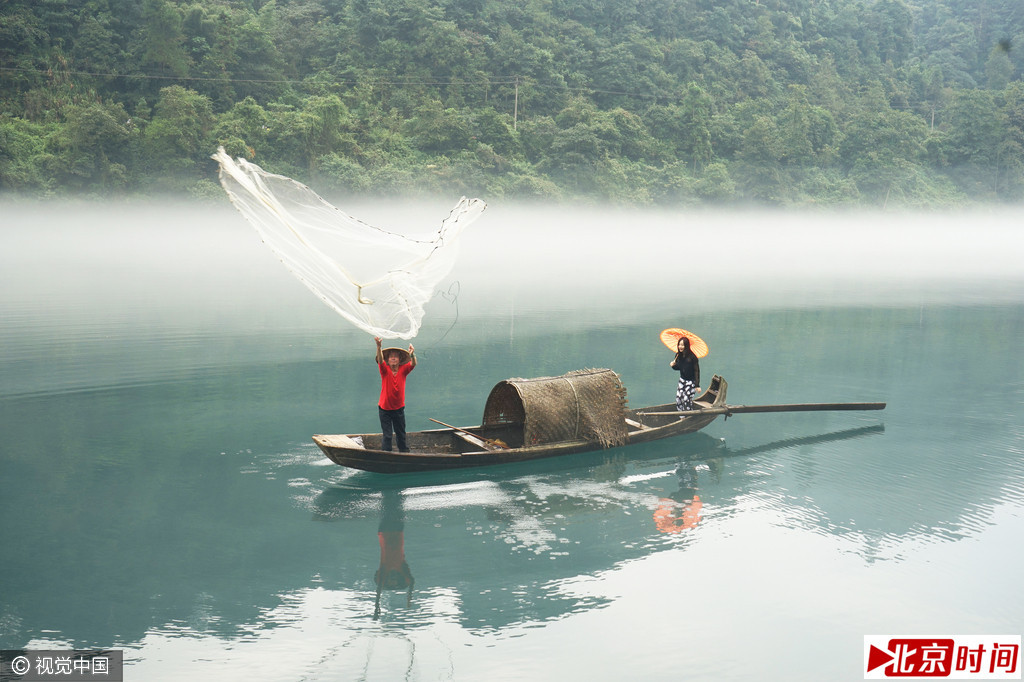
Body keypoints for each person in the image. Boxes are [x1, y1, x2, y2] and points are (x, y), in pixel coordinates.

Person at [375, 336, 416, 452]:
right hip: (385, 410)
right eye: (391, 357)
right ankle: (386, 455)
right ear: (388, 360)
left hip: (398, 409)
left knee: (401, 434)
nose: (393, 359)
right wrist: (378, 347)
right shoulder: (385, 370)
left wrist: (412, 354)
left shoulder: (403, 370)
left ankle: (404, 453)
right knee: (387, 436)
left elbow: (413, 364)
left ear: (399, 360)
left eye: (395, 357)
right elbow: (380, 360)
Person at [671, 336, 700, 412]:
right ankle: (682, 416)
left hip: (691, 382)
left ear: (686, 346)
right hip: (682, 380)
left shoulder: (692, 357)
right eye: (679, 345)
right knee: (678, 399)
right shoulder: (678, 355)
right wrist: (673, 366)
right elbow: (679, 367)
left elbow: (697, 371)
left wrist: (697, 385)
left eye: (683, 345)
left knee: (686, 399)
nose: (680, 347)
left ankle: (690, 414)